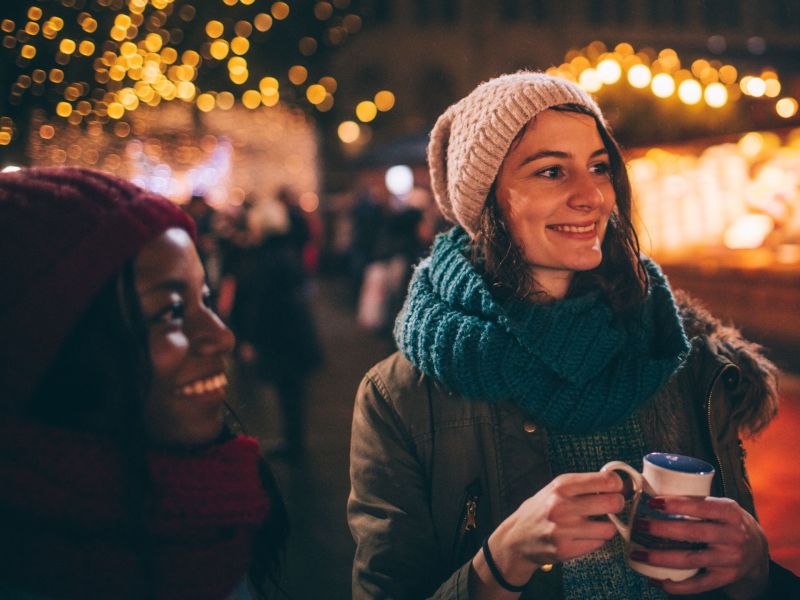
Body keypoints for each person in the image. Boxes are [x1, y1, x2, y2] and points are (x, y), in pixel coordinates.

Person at [347, 72, 800, 599]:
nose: (592, 196)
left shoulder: (679, 353)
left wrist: (757, 574)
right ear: (485, 199)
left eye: (600, 167)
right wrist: (500, 561)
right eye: (552, 171)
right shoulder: (400, 397)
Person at [0, 167, 288, 600]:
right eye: (170, 312)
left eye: (204, 299)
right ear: (52, 347)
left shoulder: (214, 516)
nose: (221, 336)